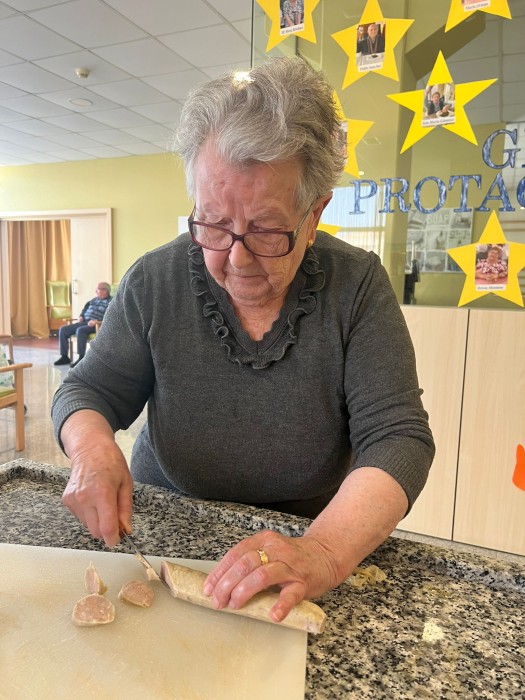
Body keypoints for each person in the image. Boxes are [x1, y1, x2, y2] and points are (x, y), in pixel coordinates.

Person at [52, 57, 434, 626]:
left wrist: (324, 551)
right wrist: (90, 449)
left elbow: (398, 438)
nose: (235, 258)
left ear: (314, 214)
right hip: (165, 524)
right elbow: (88, 390)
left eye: (265, 230)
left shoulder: (357, 286)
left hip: (306, 536)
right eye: (212, 223)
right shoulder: (154, 280)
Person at [53, 282, 112, 368]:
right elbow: (84, 310)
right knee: (63, 330)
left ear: (105, 291)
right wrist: (81, 316)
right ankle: (64, 356)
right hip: (84, 322)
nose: (95, 291)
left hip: (96, 325)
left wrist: (97, 321)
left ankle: (81, 358)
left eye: (98, 289)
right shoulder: (92, 300)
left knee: (80, 330)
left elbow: (110, 316)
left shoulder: (110, 302)